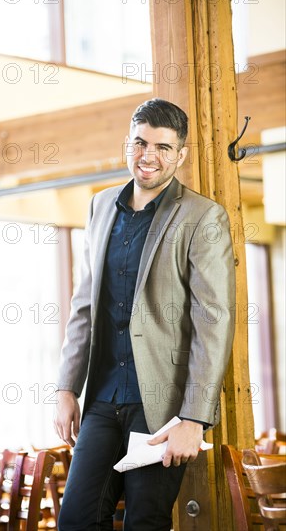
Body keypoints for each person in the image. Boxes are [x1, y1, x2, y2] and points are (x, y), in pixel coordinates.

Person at [54, 98, 235, 531]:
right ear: (127, 145)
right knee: (75, 521)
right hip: (101, 399)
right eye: (139, 142)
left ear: (181, 154)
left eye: (162, 147)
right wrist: (65, 388)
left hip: (162, 408)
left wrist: (194, 418)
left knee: (145, 523)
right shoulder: (100, 207)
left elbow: (214, 321)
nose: (148, 155)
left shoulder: (202, 217)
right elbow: (83, 305)